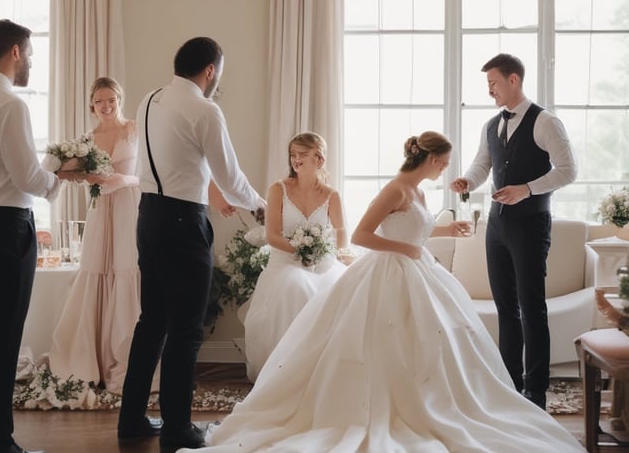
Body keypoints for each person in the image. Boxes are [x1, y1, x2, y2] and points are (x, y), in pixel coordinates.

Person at [185, 131, 585, 453]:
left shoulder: (421, 193)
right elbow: (361, 235)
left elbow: (415, 229)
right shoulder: (394, 189)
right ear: (430, 160)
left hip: (417, 271)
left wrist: (447, 230)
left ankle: (434, 405)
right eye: (443, 163)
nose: (444, 170)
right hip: (388, 273)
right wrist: (408, 250)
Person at [117, 36, 266, 450]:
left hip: (147, 217)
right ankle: (177, 428)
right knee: (185, 330)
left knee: (152, 323)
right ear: (210, 71)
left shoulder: (148, 99)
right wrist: (260, 206)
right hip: (183, 222)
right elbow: (230, 178)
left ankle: (130, 419)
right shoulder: (205, 109)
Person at [0, 19, 74, 453]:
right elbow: (27, 177)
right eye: (32, 53)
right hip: (6, 226)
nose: (32, 63)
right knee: (4, 334)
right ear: (16, 53)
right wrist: (62, 177)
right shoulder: (10, 103)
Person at [450, 53, 577, 410]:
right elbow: (482, 163)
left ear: (513, 80)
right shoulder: (491, 125)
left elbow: (568, 170)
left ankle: (536, 391)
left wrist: (528, 188)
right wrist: (467, 180)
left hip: (530, 225)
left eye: (493, 83)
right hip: (497, 225)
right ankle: (510, 383)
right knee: (505, 306)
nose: (490, 90)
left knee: (531, 306)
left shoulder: (546, 122)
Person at [47, 77, 148, 393]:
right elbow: (64, 173)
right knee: (96, 270)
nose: (106, 106)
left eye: (111, 100)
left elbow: (146, 173)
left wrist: (125, 181)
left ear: (120, 99)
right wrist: (83, 177)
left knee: (127, 269)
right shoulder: (87, 139)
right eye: (100, 101)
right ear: (91, 104)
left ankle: (129, 357)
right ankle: (93, 360)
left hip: (128, 206)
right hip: (100, 209)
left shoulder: (135, 129)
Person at [243, 132, 350, 382]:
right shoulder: (278, 189)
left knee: (340, 288)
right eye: (293, 154)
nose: (296, 159)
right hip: (285, 262)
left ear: (319, 160)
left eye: (303, 154)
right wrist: (300, 251)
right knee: (295, 285)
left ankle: (326, 374)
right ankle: (289, 374)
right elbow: (272, 235)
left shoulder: (332, 195)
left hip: (323, 264)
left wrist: (332, 253)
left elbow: (342, 232)